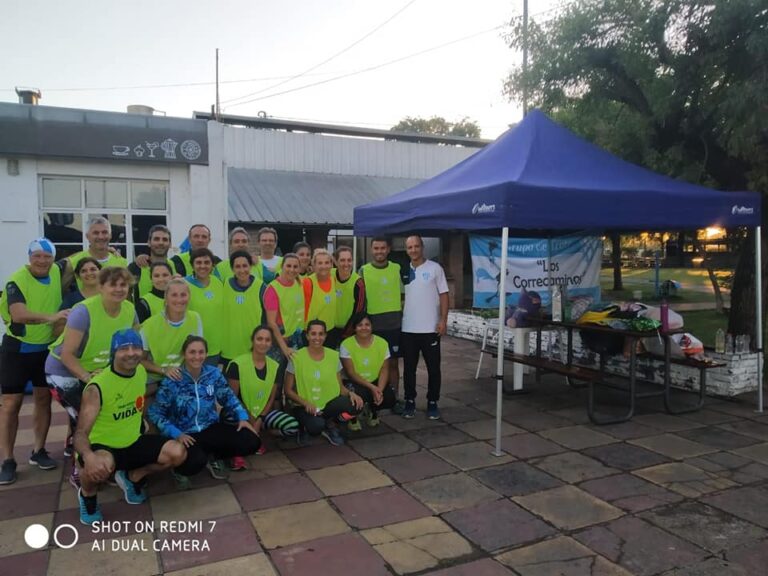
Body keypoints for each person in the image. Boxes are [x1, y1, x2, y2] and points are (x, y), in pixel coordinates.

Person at [74, 329, 187, 525]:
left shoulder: (140, 372)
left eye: (136, 348)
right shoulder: (97, 386)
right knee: (98, 465)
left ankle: (132, 477)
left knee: (177, 453)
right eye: (124, 349)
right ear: (114, 352)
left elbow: (138, 395)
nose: (131, 353)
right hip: (104, 447)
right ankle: (87, 496)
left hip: (133, 441)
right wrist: (88, 456)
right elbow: (80, 433)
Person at [46, 266, 138, 487]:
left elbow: (133, 342)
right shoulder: (83, 312)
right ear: (101, 287)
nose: (119, 289)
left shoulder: (129, 310)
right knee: (86, 418)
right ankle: (80, 471)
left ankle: (106, 460)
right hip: (64, 371)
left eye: (123, 285)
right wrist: (88, 378)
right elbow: (67, 355)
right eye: (113, 284)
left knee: (104, 414)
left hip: (98, 372)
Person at [148, 336, 260, 488]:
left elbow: (228, 397)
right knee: (195, 463)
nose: (197, 356)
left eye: (201, 352)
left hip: (210, 427)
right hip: (185, 434)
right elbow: (155, 413)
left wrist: (242, 417)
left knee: (252, 441)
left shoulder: (213, 374)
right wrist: (176, 433)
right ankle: (179, 469)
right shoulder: (173, 379)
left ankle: (214, 457)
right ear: (184, 354)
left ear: (206, 354)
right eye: (192, 352)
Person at [0, 238, 68, 485]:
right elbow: (19, 314)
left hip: (45, 349)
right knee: (11, 404)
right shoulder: (17, 280)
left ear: (53, 258)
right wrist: (53, 317)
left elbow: (81, 260)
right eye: (36, 256)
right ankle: (8, 460)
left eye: (47, 256)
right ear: (29, 257)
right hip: (17, 349)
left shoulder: (57, 271)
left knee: (42, 399)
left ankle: (38, 451)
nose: (42, 261)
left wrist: (112, 250)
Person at [226, 326, 300, 469]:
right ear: (253, 341)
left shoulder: (274, 366)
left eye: (267, 340)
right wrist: (250, 418)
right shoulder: (237, 364)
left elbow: (271, 398)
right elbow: (232, 398)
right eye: (259, 339)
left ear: (271, 343)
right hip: (241, 412)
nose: (263, 343)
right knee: (228, 417)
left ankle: (259, 435)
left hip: (262, 413)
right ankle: (237, 452)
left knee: (291, 426)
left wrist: (260, 419)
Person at [284, 320, 363, 446]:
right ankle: (306, 427)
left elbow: (340, 387)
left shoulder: (333, 356)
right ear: (307, 336)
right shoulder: (296, 357)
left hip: (327, 404)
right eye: (313, 334)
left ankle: (333, 422)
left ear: (325, 336)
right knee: (316, 426)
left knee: (357, 405)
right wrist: (305, 403)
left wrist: (351, 394)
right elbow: (288, 390)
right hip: (305, 406)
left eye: (321, 334)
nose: (317, 338)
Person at [401, 235, 449, 420]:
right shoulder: (403, 270)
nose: (413, 250)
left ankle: (432, 402)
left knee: (433, 369)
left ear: (422, 247)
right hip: (408, 329)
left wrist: (443, 320)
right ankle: (409, 401)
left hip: (430, 329)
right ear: (406, 250)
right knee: (409, 369)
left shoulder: (435, 268)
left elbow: (444, 295)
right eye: (410, 247)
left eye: (416, 246)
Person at [359, 237, 403, 410]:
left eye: (382, 248)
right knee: (373, 364)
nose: (379, 251)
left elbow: (404, 294)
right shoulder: (364, 270)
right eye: (376, 248)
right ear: (371, 250)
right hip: (373, 326)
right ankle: (373, 399)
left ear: (388, 249)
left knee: (393, 364)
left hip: (394, 325)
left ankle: (394, 399)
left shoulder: (396, 268)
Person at [140, 279, 203, 391]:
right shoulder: (149, 325)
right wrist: (164, 370)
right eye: (174, 295)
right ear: (166, 298)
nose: (179, 300)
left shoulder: (195, 318)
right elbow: (140, 360)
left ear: (189, 297)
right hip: (154, 380)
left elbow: (197, 354)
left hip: (182, 378)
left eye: (183, 295)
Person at [340, 313, 395, 430]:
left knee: (389, 398)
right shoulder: (346, 344)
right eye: (360, 325)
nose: (364, 328)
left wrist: (379, 390)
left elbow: (385, 369)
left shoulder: (382, 343)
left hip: (375, 381)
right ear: (354, 328)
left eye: (367, 324)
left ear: (372, 326)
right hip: (355, 381)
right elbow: (351, 373)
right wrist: (372, 388)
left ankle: (372, 411)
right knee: (355, 397)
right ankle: (353, 417)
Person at [221, 251, 265, 366]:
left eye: (245, 266)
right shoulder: (224, 284)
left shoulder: (261, 287)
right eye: (237, 266)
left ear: (250, 266)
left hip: (253, 348)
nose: (242, 270)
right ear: (232, 269)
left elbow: (267, 317)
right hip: (229, 348)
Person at [63, 216, 128, 292]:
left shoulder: (122, 263)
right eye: (96, 233)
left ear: (110, 235)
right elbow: (62, 292)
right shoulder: (73, 263)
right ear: (87, 236)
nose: (100, 237)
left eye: (104, 232)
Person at [264, 253, 306, 366]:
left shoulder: (299, 282)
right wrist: (284, 348)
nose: (292, 270)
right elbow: (271, 323)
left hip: (297, 336)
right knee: (278, 372)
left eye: (295, 266)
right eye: (288, 266)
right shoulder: (273, 289)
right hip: (281, 339)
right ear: (282, 266)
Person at [185, 248, 225, 365]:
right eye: (198, 262)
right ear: (192, 265)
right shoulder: (184, 284)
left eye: (207, 262)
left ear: (212, 265)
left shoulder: (217, 282)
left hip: (216, 346)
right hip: (193, 347)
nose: (203, 266)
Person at [303, 249, 339, 347]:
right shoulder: (308, 282)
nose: (324, 266)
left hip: (330, 331)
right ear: (314, 265)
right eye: (320, 263)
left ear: (331, 264)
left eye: (327, 262)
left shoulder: (333, 279)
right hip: (312, 333)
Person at [128, 224, 173, 300]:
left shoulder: (178, 266)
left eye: (165, 239)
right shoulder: (136, 267)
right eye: (156, 239)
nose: (161, 243)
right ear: (149, 242)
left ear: (170, 244)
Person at [333, 246, 366, 340]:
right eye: (342, 260)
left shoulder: (358, 283)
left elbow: (358, 311)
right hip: (329, 329)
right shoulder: (329, 275)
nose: (346, 264)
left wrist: (347, 333)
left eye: (349, 260)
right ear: (336, 262)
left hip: (348, 331)